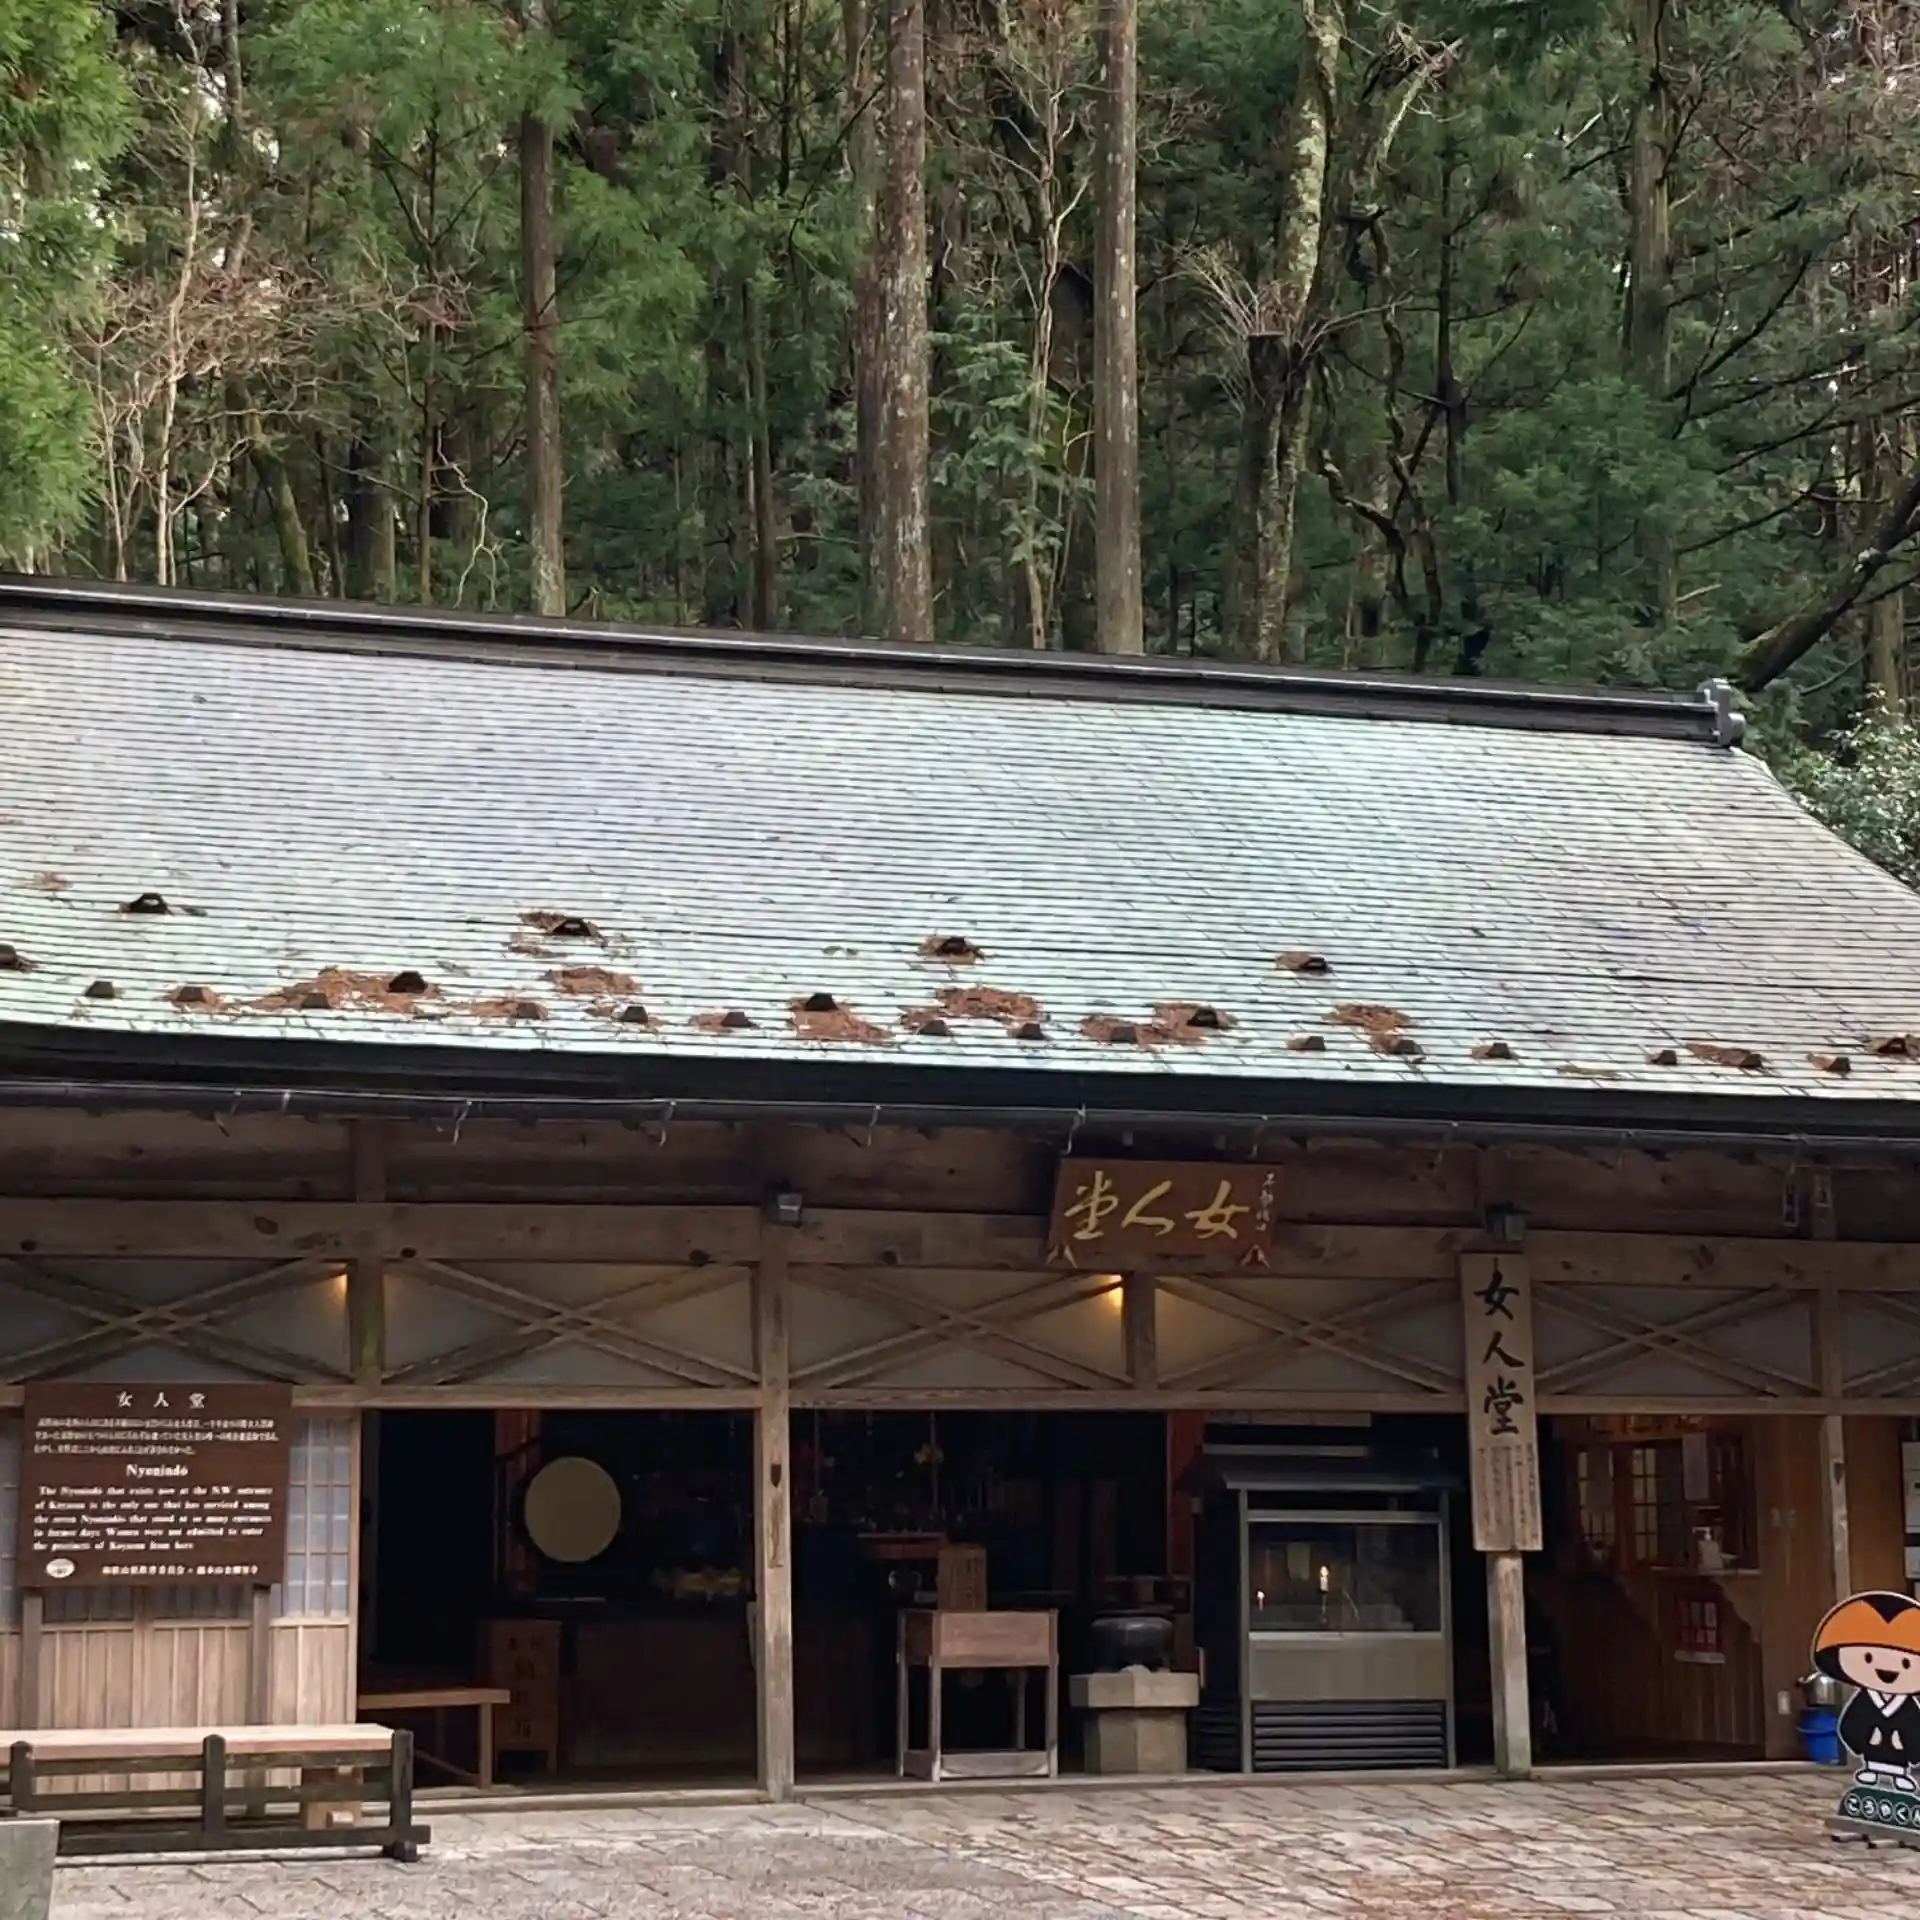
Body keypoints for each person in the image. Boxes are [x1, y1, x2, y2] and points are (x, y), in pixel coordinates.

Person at [1810, 1590, 1920, 1792]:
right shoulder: (1865, 1701)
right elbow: (1849, 1726)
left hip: (1901, 1758)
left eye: (1906, 1662)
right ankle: (1872, 1770)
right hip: (1870, 1756)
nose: (1888, 1668)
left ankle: (1900, 1775)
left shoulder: (1908, 1707)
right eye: (1868, 1658)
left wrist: (1910, 1747)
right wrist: (1863, 1741)